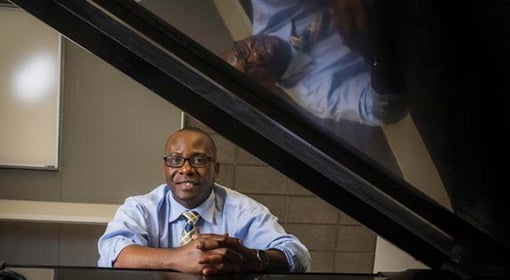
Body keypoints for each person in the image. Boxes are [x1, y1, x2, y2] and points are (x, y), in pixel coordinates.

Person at [97, 127, 311, 275]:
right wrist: (177, 258)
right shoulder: (141, 208)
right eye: (175, 160)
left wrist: (251, 259)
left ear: (215, 169)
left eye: (199, 160)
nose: (186, 169)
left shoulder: (245, 210)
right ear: (166, 169)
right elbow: (113, 252)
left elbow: (298, 256)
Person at [220, 0, 407, 126]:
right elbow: (386, 110)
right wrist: (372, 53)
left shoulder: (268, 5)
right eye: (251, 73)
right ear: (266, 87)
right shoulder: (318, 98)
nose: (254, 57)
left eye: (242, 51)